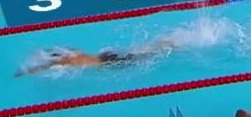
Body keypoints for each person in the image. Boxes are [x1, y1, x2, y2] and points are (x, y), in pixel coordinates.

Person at [15, 36, 178, 77]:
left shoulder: (65, 62)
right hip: (104, 56)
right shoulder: (72, 54)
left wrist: (26, 72)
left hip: (107, 62)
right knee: (139, 53)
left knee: (142, 57)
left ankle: (166, 44)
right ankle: (163, 43)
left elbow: (44, 67)